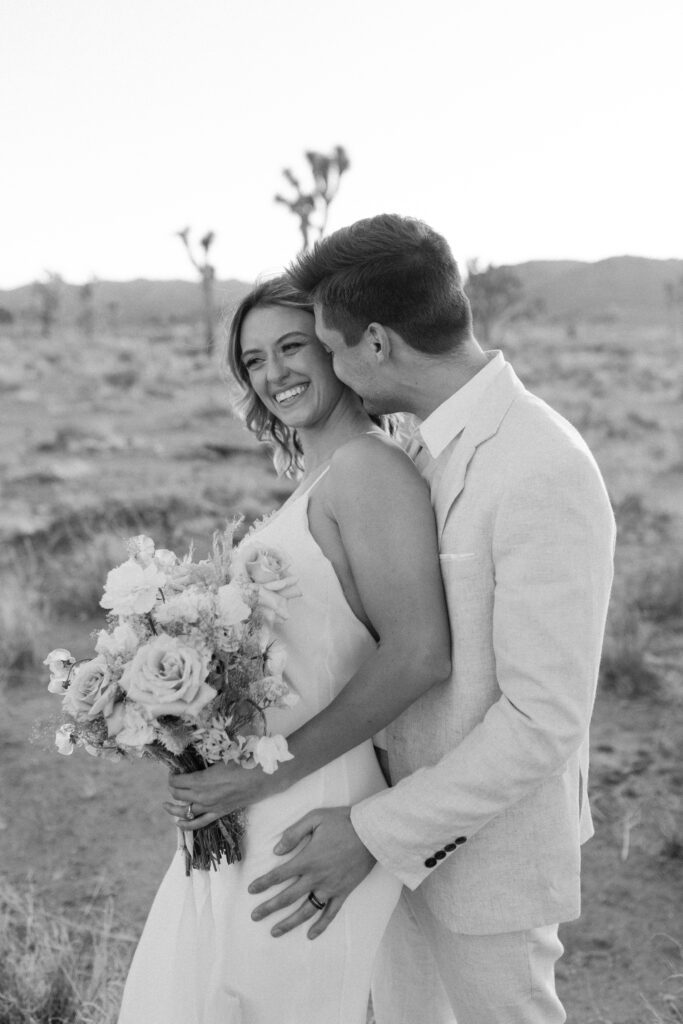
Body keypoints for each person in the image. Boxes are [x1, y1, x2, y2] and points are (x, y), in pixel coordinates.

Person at [236, 215, 616, 1024]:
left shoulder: (539, 465)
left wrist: (371, 830)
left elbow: (542, 720)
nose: (325, 366)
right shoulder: (419, 447)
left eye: (327, 347)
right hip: (387, 839)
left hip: (481, 857)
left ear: (374, 344)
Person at [117, 275, 452, 1024]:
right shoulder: (319, 479)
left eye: (292, 346)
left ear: (337, 348)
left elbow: (419, 652)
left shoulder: (369, 469)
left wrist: (256, 779)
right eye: (253, 359)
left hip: (311, 798)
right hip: (265, 793)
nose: (274, 374)